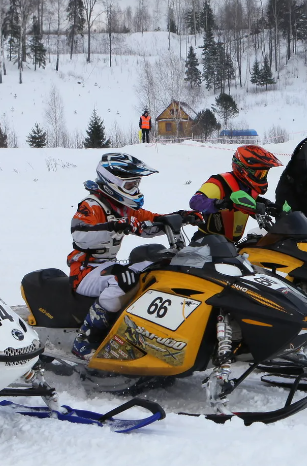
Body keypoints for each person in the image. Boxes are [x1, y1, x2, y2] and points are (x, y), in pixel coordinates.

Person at [69, 152, 179, 360]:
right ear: (113, 183)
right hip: (84, 271)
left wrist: (175, 218)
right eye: (130, 185)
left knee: (153, 268)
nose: (134, 189)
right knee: (122, 279)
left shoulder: (122, 207)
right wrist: (113, 225)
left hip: (105, 266)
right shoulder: (92, 205)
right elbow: (80, 234)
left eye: (136, 184)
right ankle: (84, 340)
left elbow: (148, 221)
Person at [189, 145, 282, 243]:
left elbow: (249, 204)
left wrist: (269, 206)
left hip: (229, 247)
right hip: (206, 242)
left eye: (264, 174)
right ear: (245, 169)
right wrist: (220, 203)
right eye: (259, 173)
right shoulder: (220, 182)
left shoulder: (249, 189)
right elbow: (195, 201)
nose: (262, 177)